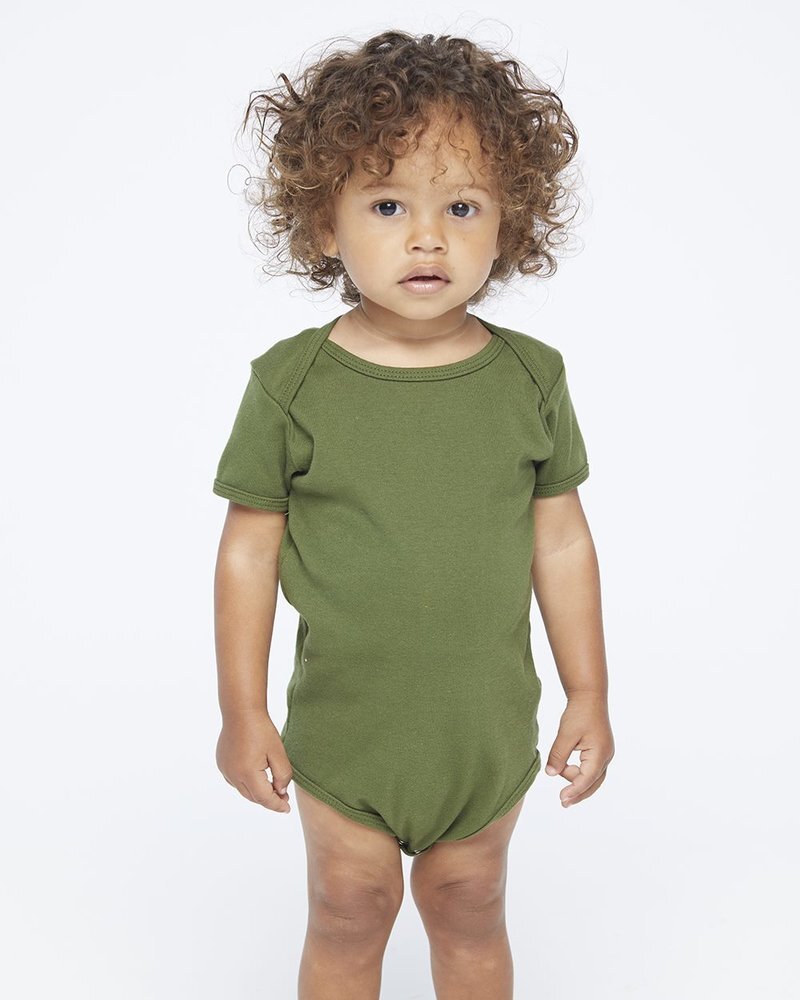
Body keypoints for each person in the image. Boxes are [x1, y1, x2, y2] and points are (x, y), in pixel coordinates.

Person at [212, 29, 615, 1000]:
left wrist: (588, 690)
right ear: (324, 222)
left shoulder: (529, 378)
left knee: (469, 903)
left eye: (460, 207)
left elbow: (561, 540)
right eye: (387, 205)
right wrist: (240, 710)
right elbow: (247, 554)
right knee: (348, 908)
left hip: (480, 730)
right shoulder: (292, 384)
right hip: (344, 731)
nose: (426, 237)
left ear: (507, 224)